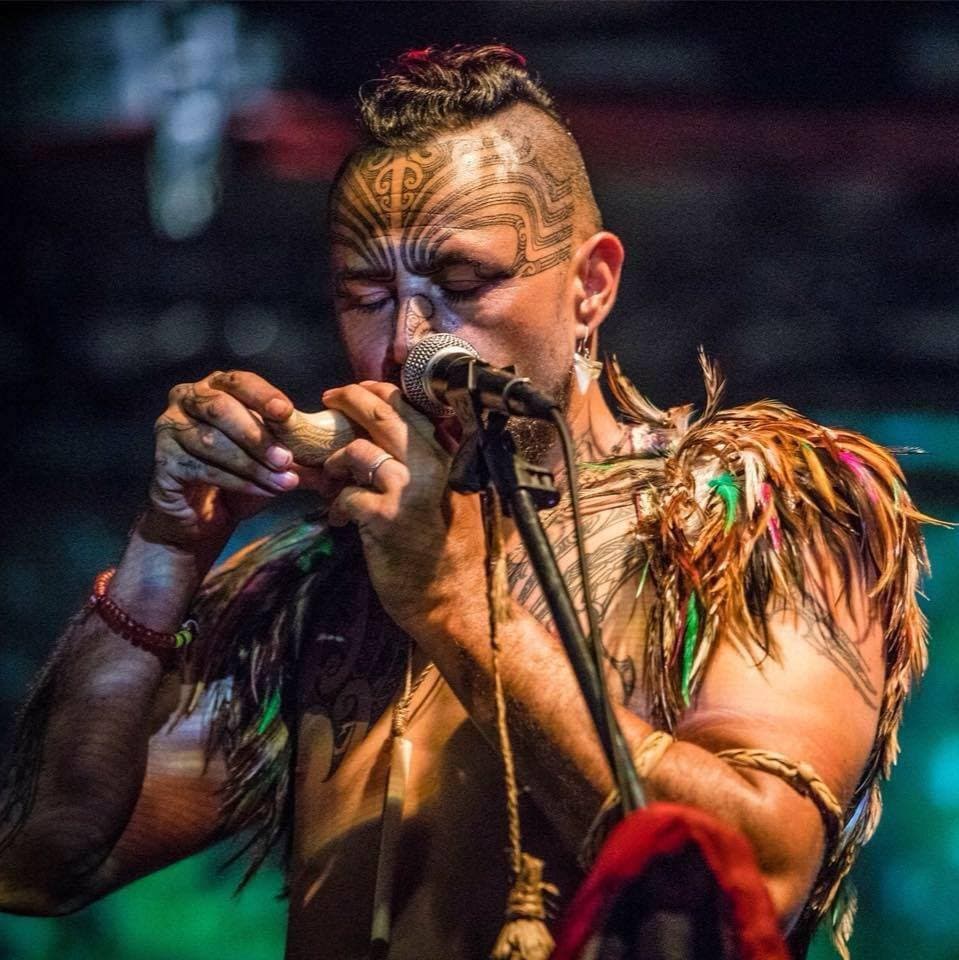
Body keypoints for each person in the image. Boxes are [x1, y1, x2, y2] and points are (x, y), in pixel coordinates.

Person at [0, 44, 932, 960]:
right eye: (367, 294)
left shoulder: (760, 509)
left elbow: (753, 876)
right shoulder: (323, 582)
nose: (406, 342)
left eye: (461, 286)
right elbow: (41, 864)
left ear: (591, 285)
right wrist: (167, 548)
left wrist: (452, 600)